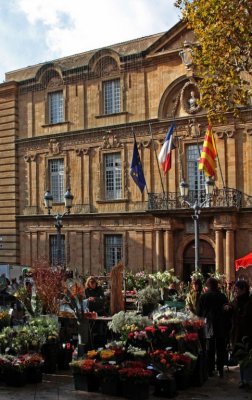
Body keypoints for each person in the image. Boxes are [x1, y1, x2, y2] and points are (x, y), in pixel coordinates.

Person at [196, 277, 229, 378]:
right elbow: (227, 311)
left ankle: (210, 370)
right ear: (216, 285)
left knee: (209, 348)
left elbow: (199, 313)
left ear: (207, 286)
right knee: (220, 347)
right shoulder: (222, 296)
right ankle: (220, 370)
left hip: (208, 324)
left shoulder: (203, 296)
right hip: (220, 324)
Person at [229, 280, 252, 388]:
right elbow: (231, 310)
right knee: (241, 357)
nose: (235, 291)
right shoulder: (236, 301)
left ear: (244, 290)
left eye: (237, 289)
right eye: (235, 289)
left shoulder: (249, 302)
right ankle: (244, 380)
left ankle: (248, 380)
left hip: (247, 333)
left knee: (247, 357)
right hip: (237, 334)